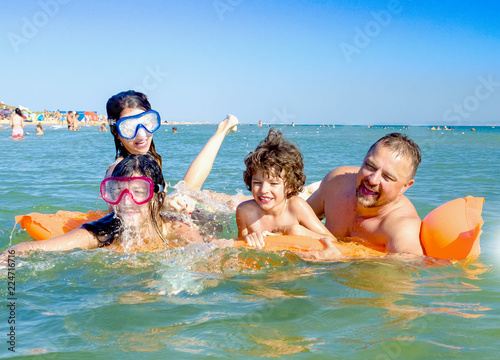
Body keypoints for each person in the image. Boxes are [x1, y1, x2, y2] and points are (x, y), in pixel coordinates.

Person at [0, 154, 204, 260]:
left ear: (158, 197)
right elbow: (29, 248)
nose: (127, 200)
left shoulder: (176, 229)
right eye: (117, 190)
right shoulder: (102, 232)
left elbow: (203, 260)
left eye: (139, 191)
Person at [105, 90, 239, 212]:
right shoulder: (117, 170)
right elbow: (119, 211)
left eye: (146, 122)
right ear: (116, 132)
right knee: (189, 192)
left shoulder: (150, 160)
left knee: (213, 197)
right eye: (128, 127)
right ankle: (223, 129)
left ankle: (223, 129)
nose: (141, 134)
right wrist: (164, 204)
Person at [306, 133, 423, 258]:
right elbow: (297, 216)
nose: (373, 180)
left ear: (405, 186)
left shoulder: (400, 224)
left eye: (387, 177)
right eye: (370, 166)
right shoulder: (336, 183)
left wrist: (343, 257)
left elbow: (411, 261)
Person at [236, 128, 340, 254]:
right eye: (257, 183)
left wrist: (297, 231)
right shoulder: (245, 212)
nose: (263, 190)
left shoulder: (296, 207)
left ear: (290, 186)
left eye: (274, 183)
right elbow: (239, 247)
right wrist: (248, 238)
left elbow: (333, 241)